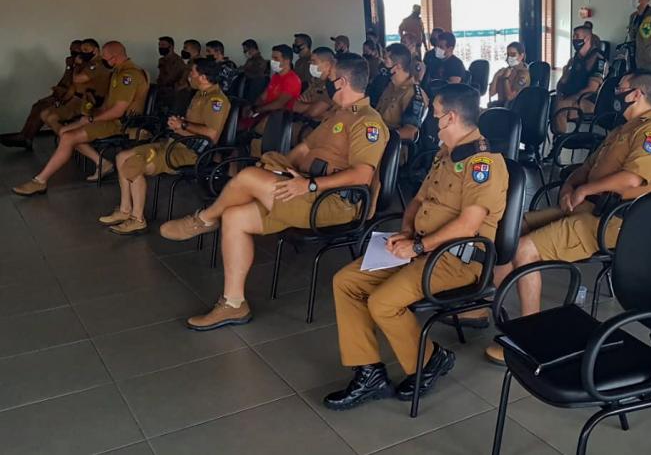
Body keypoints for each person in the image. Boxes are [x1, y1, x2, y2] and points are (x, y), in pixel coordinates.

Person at [158, 57, 388, 330]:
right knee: (234, 216)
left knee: (246, 177)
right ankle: (233, 304)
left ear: (342, 82)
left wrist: (310, 185)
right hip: (305, 188)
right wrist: (281, 168)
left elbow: (363, 174)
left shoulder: (368, 122)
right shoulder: (338, 114)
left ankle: (204, 219)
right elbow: (304, 149)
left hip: (332, 202)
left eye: (331, 77)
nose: (326, 81)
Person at [324, 85, 507, 409]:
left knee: (382, 303)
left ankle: (430, 360)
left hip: (455, 260)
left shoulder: (483, 164)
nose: (433, 122)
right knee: (346, 281)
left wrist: (418, 247)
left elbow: (467, 226)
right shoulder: (446, 153)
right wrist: (406, 232)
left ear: (451, 117)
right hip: (421, 247)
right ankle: (369, 372)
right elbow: (419, 200)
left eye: (436, 116)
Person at [483, 71, 651, 364]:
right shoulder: (624, 128)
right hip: (587, 207)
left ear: (637, 94)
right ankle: (486, 306)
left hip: (614, 220)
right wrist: (572, 184)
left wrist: (585, 189)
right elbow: (589, 166)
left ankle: (529, 338)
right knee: (509, 229)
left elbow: (633, 179)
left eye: (621, 88)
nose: (615, 92)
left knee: (524, 249)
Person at [100, 58, 231, 235]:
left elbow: (212, 134)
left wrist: (182, 126)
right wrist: (179, 124)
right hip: (174, 144)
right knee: (121, 157)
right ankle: (124, 210)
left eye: (192, 72)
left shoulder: (217, 100)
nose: (189, 76)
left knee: (133, 164)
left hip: (188, 152)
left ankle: (137, 219)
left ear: (203, 77)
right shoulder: (200, 94)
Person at [13, 41, 149, 196]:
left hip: (121, 124)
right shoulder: (119, 71)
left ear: (115, 57)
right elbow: (108, 104)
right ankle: (102, 163)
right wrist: (92, 115)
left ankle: (40, 181)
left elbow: (117, 112)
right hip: (109, 119)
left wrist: (91, 120)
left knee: (69, 137)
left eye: (105, 56)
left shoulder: (129, 75)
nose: (102, 59)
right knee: (64, 130)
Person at [1, 40, 82, 150]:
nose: (72, 53)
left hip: (76, 99)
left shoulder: (86, 66)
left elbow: (77, 87)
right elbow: (63, 83)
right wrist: (69, 68)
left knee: (44, 107)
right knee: (37, 105)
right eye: (71, 50)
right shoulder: (72, 64)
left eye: (75, 51)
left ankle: (26, 138)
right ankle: (25, 136)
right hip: (65, 95)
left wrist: (61, 95)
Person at [39, 39, 112, 141]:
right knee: (44, 113)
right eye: (82, 51)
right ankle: (68, 139)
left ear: (95, 50)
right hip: (76, 99)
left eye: (86, 50)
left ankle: (69, 141)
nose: (83, 53)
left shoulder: (96, 65)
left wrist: (76, 65)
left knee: (51, 118)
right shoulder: (88, 63)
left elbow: (77, 79)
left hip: (86, 102)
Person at [245, 45, 302, 156]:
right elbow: (263, 96)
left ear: (287, 61)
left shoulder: (292, 79)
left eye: (276, 59)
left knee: (250, 136)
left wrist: (257, 109)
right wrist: (252, 107)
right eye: (272, 58)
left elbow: (279, 103)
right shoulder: (276, 76)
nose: (272, 61)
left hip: (277, 119)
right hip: (265, 113)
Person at [553, 25, 606, 133]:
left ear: (586, 39)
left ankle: (559, 141)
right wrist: (565, 74)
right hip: (572, 96)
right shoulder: (575, 59)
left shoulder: (598, 59)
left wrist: (571, 99)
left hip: (589, 100)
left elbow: (591, 89)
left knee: (561, 106)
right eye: (573, 36)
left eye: (577, 36)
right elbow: (562, 83)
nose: (574, 39)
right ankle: (554, 137)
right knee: (550, 102)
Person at [376, 43, 428, 142]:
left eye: (385, 60)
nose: (381, 62)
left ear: (398, 67)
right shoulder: (390, 86)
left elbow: (410, 132)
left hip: (394, 148)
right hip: (378, 138)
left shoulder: (413, 93)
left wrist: (380, 137)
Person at [291, 46, 336, 136]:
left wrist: (309, 107)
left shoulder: (333, 85)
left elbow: (313, 112)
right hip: (308, 124)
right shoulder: (316, 81)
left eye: (314, 62)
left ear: (327, 65)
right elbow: (294, 105)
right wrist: (313, 107)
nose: (310, 64)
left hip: (325, 129)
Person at [488, 41, 530, 107]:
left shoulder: (523, 74)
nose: (509, 57)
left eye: (513, 55)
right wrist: (496, 76)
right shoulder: (506, 70)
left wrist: (506, 78)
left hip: (512, 109)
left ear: (521, 56)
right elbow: (491, 93)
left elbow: (510, 97)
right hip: (500, 107)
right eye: (508, 55)